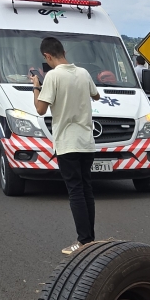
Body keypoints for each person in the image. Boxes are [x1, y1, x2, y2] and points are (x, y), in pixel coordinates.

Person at [31, 35, 101, 256]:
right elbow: (96, 95)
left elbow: (41, 109)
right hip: (87, 141)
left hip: (67, 143)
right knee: (86, 188)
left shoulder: (52, 76)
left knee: (75, 192)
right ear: (64, 52)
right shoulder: (83, 73)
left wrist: (35, 87)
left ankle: (83, 241)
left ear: (47, 56)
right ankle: (90, 239)